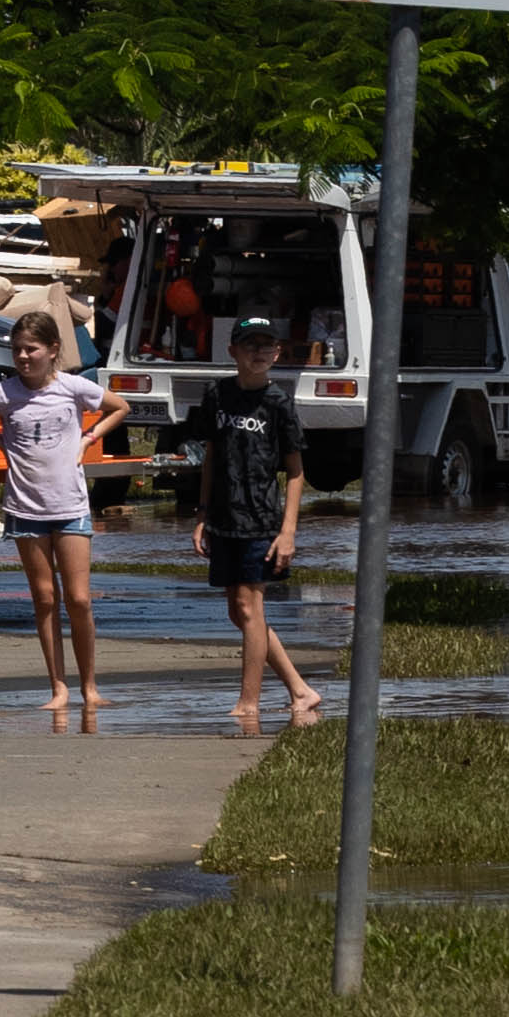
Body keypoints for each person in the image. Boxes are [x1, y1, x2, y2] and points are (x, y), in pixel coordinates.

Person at [0, 313, 114, 729]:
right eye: (17, 349)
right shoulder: (4, 393)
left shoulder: (73, 387)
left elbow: (119, 406)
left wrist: (88, 438)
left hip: (70, 505)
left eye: (31, 349)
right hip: (26, 508)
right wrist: (1, 441)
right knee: (45, 598)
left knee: (80, 599)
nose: (23, 356)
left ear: (53, 350)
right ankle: (58, 687)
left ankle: (89, 685)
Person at [191, 315, 323, 735]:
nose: (259, 352)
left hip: (262, 521)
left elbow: (296, 473)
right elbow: (211, 455)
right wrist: (202, 514)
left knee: (250, 607)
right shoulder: (218, 394)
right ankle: (300, 689)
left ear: (278, 353)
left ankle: (249, 703)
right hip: (224, 519)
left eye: (267, 346)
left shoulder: (279, 403)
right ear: (232, 351)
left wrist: (288, 532)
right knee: (239, 611)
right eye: (250, 345)